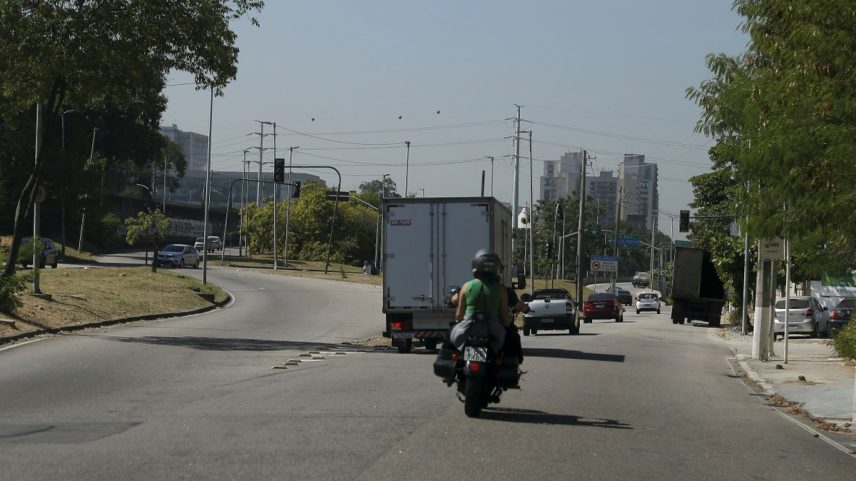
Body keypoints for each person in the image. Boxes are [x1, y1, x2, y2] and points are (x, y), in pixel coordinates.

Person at [449, 249, 510, 353]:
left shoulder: (466, 286)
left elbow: (459, 315)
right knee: (510, 343)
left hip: (466, 328)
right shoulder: (501, 290)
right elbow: (504, 318)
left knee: (449, 341)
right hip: (493, 329)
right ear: (496, 267)